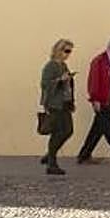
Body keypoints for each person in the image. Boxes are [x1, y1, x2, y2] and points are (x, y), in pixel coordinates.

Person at [76, 37, 110, 166]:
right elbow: (93, 81)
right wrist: (95, 99)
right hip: (102, 99)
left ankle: (84, 155)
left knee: (98, 129)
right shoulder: (99, 61)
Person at [39, 39, 76, 176]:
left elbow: (68, 86)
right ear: (58, 50)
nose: (68, 54)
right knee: (58, 132)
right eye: (66, 51)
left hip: (64, 103)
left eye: (70, 51)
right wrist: (60, 80)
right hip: (55, 104)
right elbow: (45, 84)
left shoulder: (63, 66)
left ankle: (49, 155)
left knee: (68, 131)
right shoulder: (51, 66)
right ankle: (51, 163)